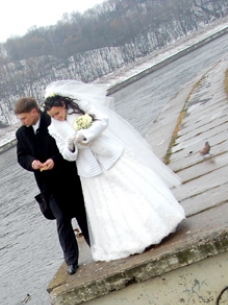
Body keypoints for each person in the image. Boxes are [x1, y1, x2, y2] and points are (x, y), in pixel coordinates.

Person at [43, 80, 185, 263]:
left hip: (108, 153)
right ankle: (127, 240)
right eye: (53, 116)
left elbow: (103, 120)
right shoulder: (54, 128)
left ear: (62, 104)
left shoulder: (81, 107)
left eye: (58, 113)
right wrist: (71, 145)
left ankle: (155, 225)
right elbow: (66, 154)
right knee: (106, 205)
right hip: (89, 167)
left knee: (132, 189)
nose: (57, 118)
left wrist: (86, 134)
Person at [14, 97, 90, 275]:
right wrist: (31, 162)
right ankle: (71, 260)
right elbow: (21, 157)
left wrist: (54, 161)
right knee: (62, 219)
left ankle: (98, 247)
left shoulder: (53, 122)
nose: (22, 122)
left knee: (81, 214)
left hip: (68, 178)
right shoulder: (21, 134)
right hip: (48, 186)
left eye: (23, 118)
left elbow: (68, 146)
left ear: (34, 112)